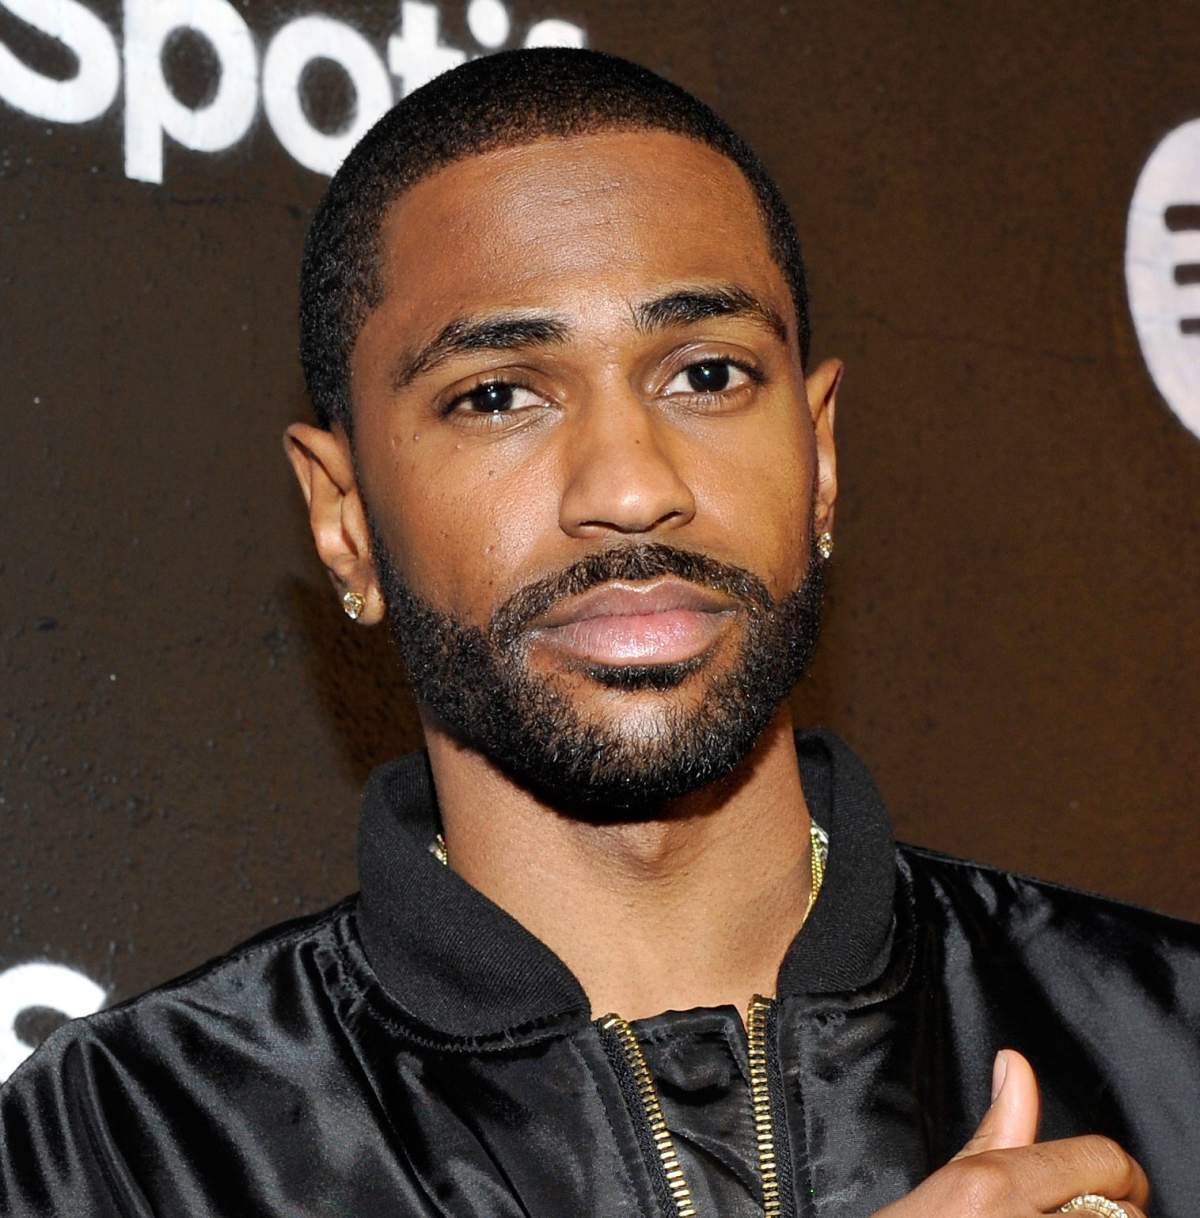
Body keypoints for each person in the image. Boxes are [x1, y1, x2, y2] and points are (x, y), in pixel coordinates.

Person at [0, 46, 1195, 1218]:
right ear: (344, 519)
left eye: (707, 376)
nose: (630, 487)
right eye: (497, 396)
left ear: (821, 457)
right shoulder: (111, 1155)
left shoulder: (1171, 1041)